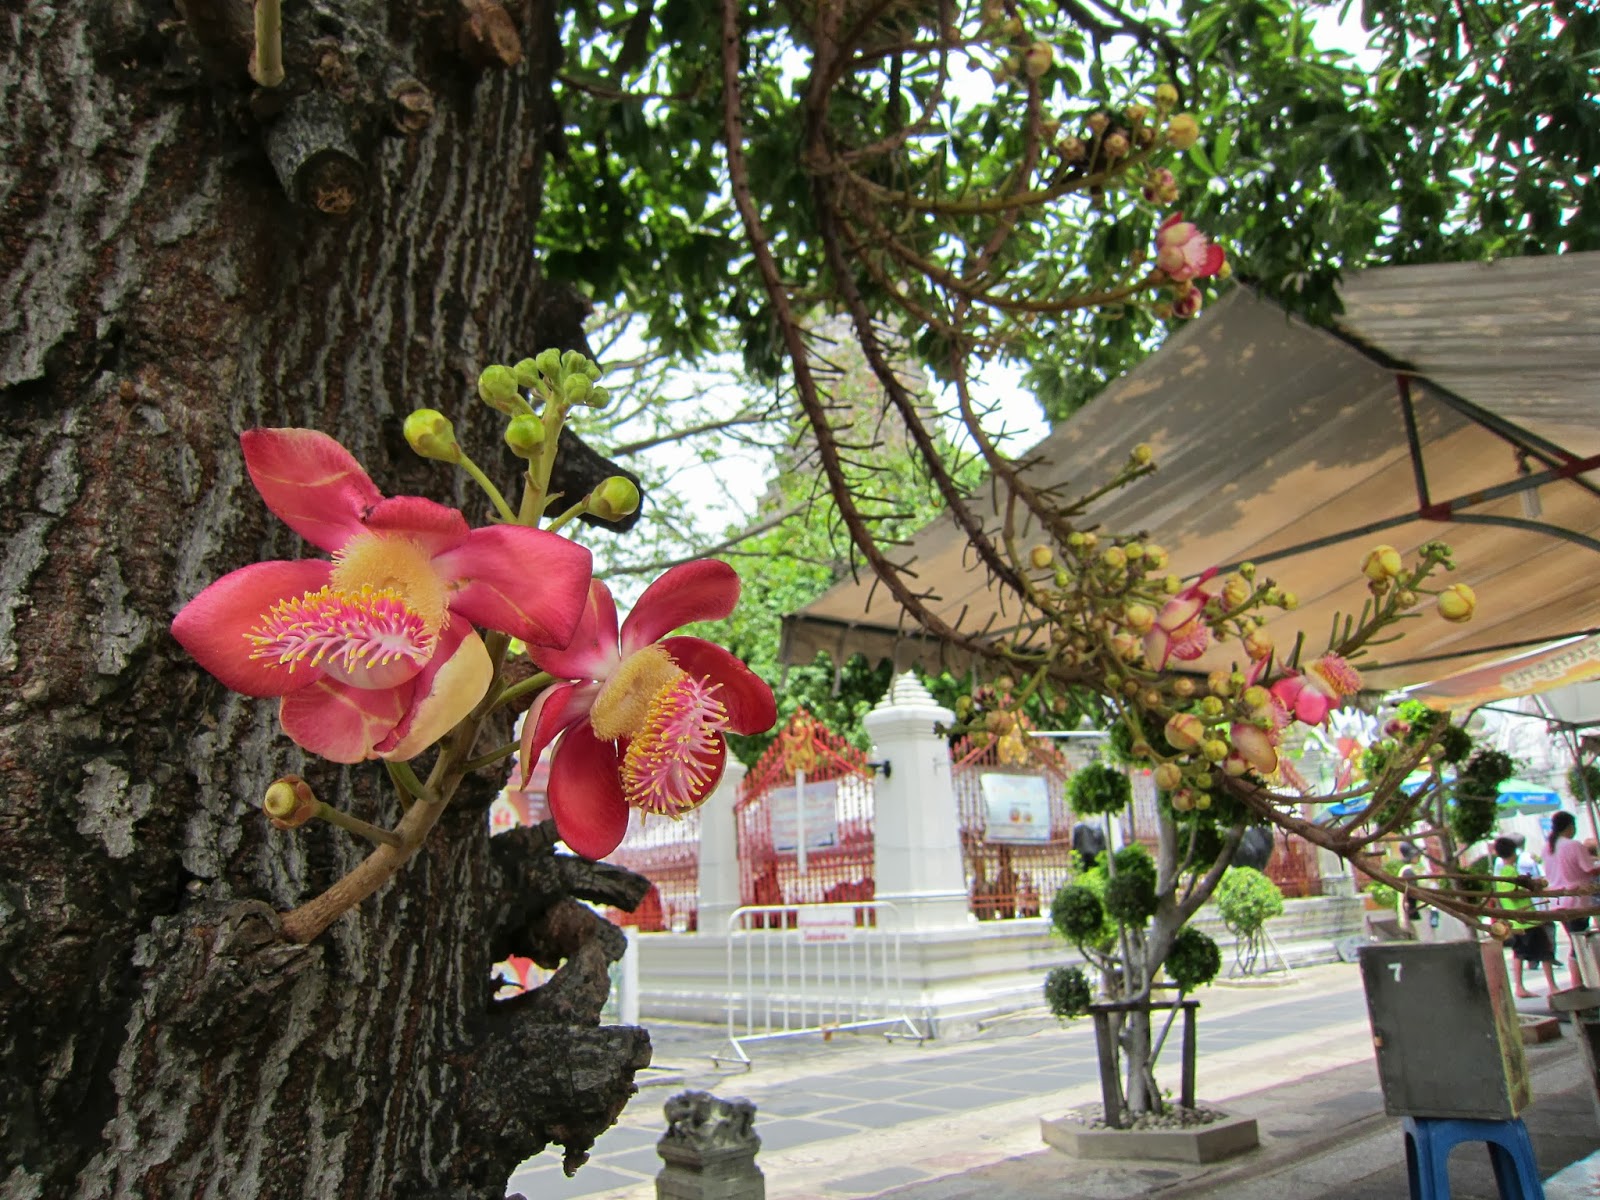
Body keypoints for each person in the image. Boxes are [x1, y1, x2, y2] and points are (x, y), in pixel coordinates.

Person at [1492, 836, 1557, 998]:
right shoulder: (1510, 871)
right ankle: (1552, 986)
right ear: (1514, 852)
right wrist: (1529, 890)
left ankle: (1520, 986)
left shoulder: (1501, 872)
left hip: (1516, 921)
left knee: (1519, 953)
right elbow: (1512, 894)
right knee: (1545, 951)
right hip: (1527, 920)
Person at [1545, 811, 1600, 986]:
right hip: (1576, 900)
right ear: (1570, 827)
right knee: (1578, 941)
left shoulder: (1548, 847)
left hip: (1557, 899)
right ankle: (1577, 982)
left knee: (1575, 940)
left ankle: (1578, 980)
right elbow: (1589, 869)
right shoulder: (1573, 845)